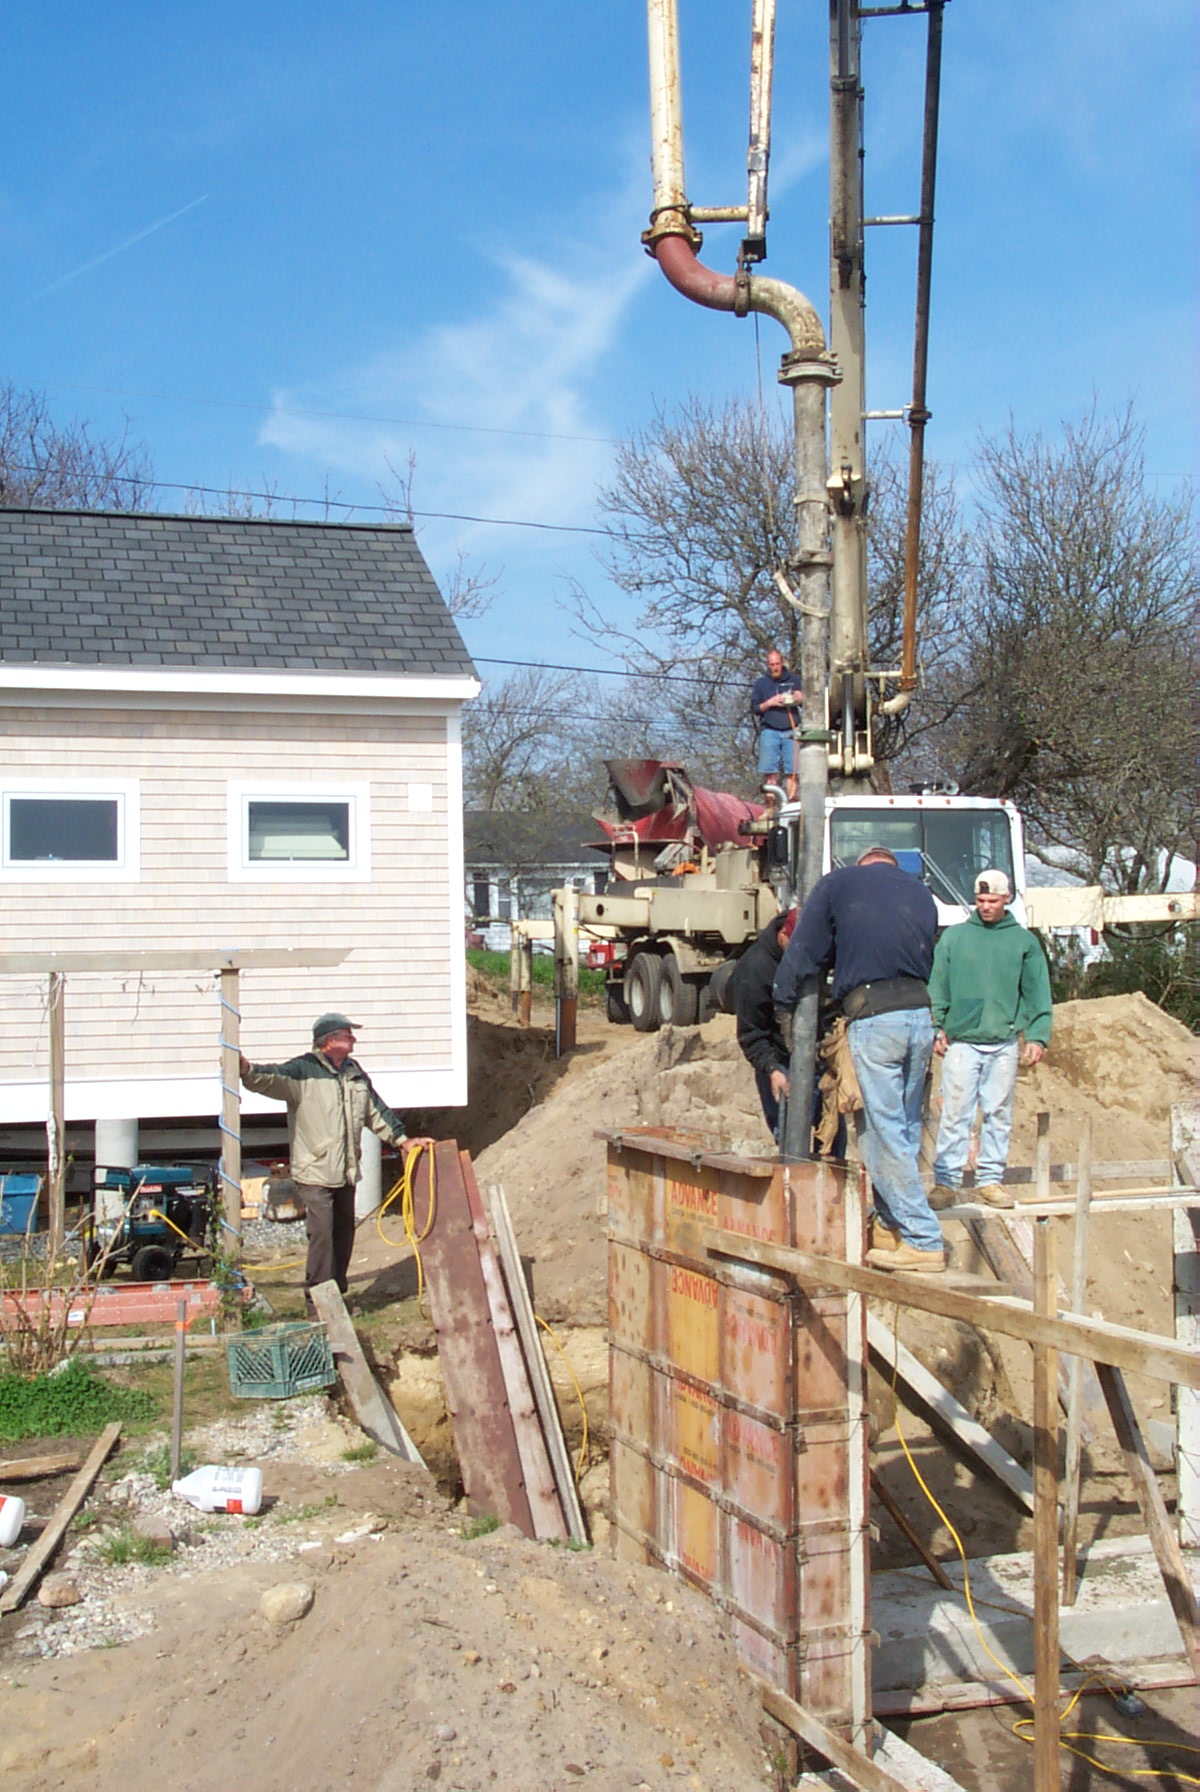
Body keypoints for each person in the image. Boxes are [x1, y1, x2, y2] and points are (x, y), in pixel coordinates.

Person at [773, 847, 944, 1272]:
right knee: (905, 1128)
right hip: (920, 1018)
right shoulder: (921, 892)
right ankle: (889, 1224)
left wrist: (783, 998)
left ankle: (924, 1239)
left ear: (862, 864)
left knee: (881, 1134)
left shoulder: (839, 883)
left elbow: (806, 949)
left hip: (875, 1019)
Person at [240, 1013, 408, 1307]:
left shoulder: (354, 1072)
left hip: (346, 1171)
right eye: (348, 1034)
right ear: (330, 1040)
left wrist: (403, 1140)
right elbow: (271, 1078)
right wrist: (247, 1071)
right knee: (322, 1235)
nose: (354, 1039)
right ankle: (317, 1302)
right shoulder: (303, 1070)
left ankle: (337, 1298)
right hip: (314, 1172)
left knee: (343, 1235)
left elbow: (375, 1111)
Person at [929, 869, 1052, 1209]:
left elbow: (1037, 992)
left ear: (1006, 899)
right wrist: (937, 1026)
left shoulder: (1024, 942)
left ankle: (990, 1180)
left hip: (1004, 1042)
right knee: (955, 1113)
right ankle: (946, 1182)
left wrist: (1037, 1036)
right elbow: (938, 986)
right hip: (962, 1042)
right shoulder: (954, 938)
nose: (985, 906)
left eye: (992, 901)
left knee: (998, 1113)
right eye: (980, 900)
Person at [731, 907, 799, 1139]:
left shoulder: (810, 954)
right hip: (778, 1060)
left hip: (813, 1060)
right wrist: (772, 1069)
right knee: (787, 1134)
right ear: (783, 935)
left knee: (830, 1132)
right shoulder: (755, 970)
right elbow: (751, 1034)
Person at [750, 648, 803, 796]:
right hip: (770, 730)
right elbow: (755, 708)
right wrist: (770, 703)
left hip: (791, 730)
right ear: (768, 665)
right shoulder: (761, 684)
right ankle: (770, 804)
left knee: (792, 772)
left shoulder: (794, 680)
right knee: (770, 772)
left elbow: (806, 704)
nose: (775, 667)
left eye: (777, 664)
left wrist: (800, 697)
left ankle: (791, 802)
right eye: (772, 665)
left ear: (782, 663)